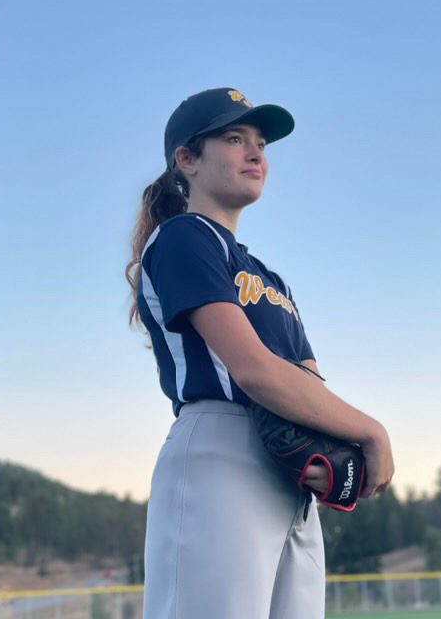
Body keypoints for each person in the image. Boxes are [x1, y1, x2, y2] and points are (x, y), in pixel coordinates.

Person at [125, 87, 395, 619]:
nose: (256, 154)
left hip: (286, 472)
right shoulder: (184, 238)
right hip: (219, 451)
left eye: (261, 143)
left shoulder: (271, 279)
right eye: (233, 138)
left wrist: (333, 453)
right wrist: (372, 432)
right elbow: (252, 369)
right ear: (187, 160)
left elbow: (306, 385)